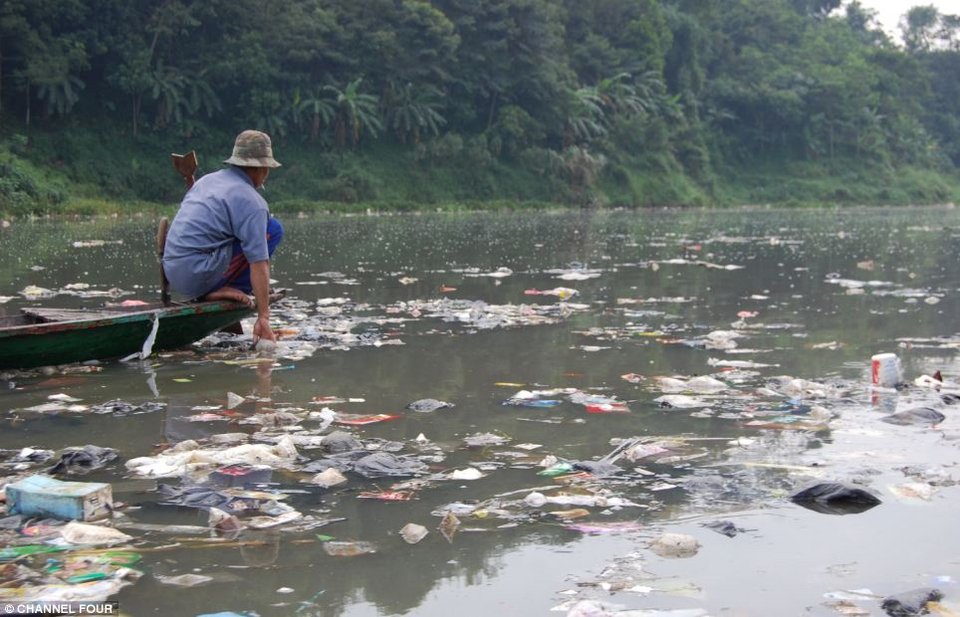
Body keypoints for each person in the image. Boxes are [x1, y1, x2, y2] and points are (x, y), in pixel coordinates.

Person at [162, 129, 283, 344]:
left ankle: (219, 290)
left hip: (174, 272)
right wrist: (263, 317)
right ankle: (219, 289)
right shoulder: (252, 203)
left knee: (251, 233)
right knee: (272, 230)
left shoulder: (207, 181)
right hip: (198, 275)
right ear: (262, 168)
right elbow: (258, 261)